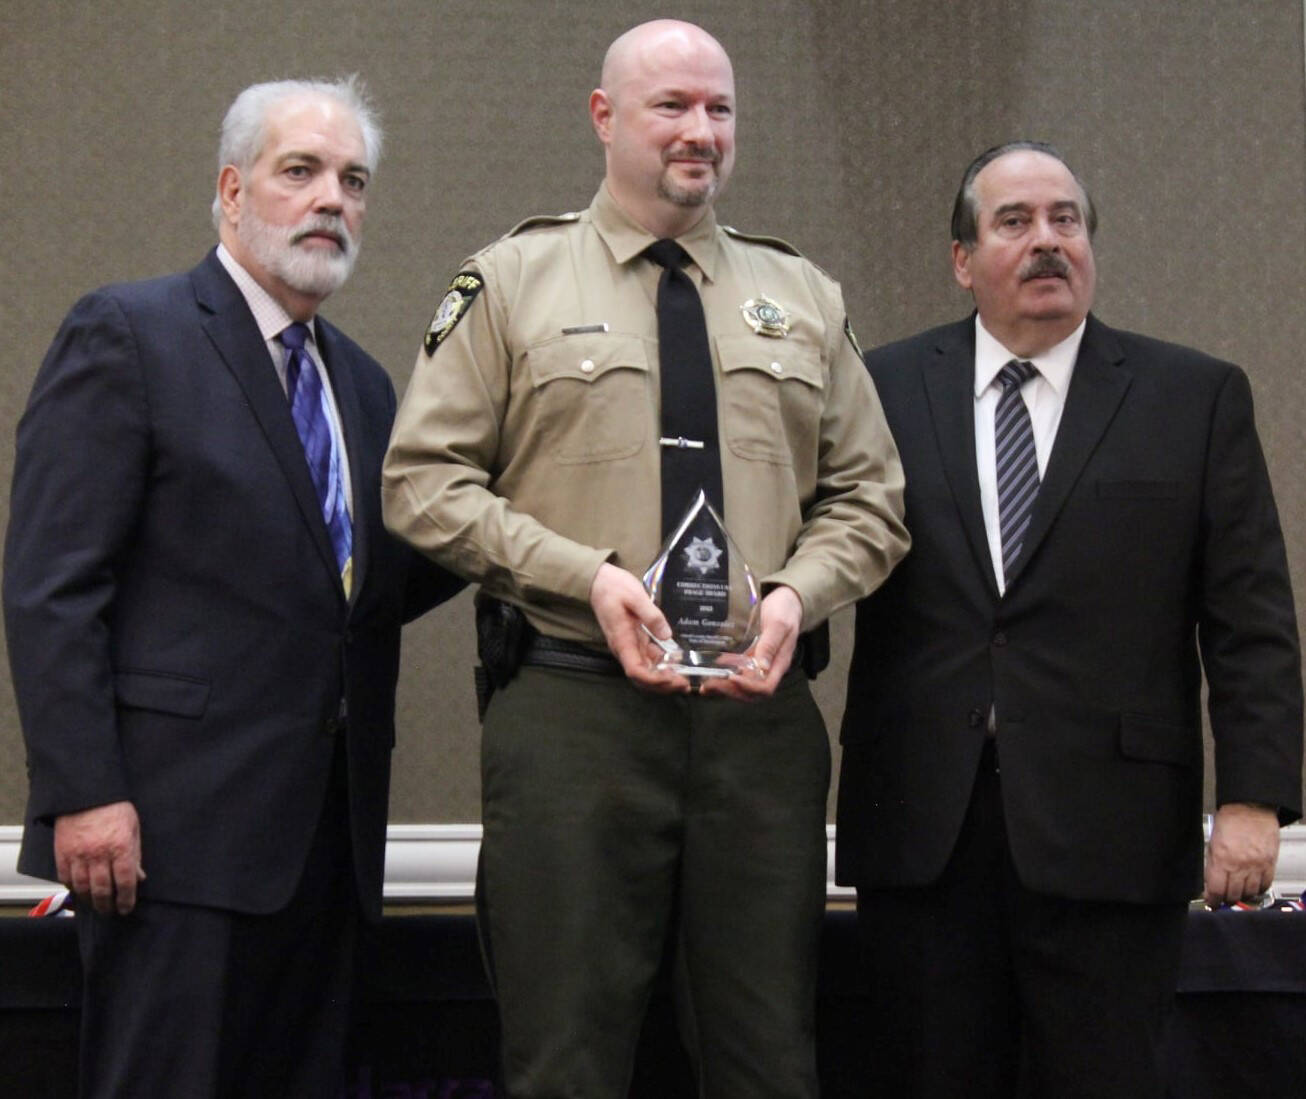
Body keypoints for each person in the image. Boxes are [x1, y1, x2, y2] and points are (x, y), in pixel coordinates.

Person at [382, 19, 908, 1098]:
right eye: (671, 106)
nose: (699, 131)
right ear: (603, 116)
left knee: (767, 1058)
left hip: (760, 731)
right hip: (574, 716)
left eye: (718, 109)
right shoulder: (510, 281)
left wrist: (795, 596)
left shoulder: (802, 295)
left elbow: (873, 500)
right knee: (563, 1057)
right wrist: (588, 577)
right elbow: (420, 485)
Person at [4, 77, 462, 1097]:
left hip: (328, 857)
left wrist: (512, 504)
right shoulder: (129, 333)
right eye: (298, 171)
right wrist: (84, 793)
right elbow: (51, 585)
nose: (330, 200)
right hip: (170, 850)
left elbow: (358, 590)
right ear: (230, 189)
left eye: (352, 180)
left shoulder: (364, 385)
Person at [835, 140, 1304, 1097]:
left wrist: (1254, 800)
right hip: (925, 833)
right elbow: (814, 553)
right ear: (963, 260)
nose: (1047, 241)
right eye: (1014, 222)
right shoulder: (877, 391)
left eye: (1066, 219)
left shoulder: (1193, 396)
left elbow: (1250, 617)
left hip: (1113, 836)